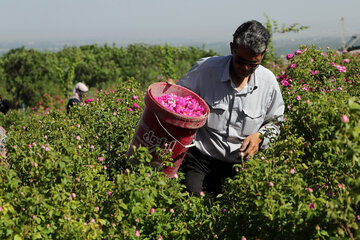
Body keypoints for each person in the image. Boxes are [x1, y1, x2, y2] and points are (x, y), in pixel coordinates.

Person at [172, 20, 285, 196]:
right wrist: (171, 93)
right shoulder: (206, 70)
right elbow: (179, 98)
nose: (246, 68)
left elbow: (276, 123)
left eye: (253, 64)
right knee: (190, 201)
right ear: (232, 48)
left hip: (240, 164)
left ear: (264, 54)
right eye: (240, 61)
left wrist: (260, 136)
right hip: (201, 157)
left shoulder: (268, 83)